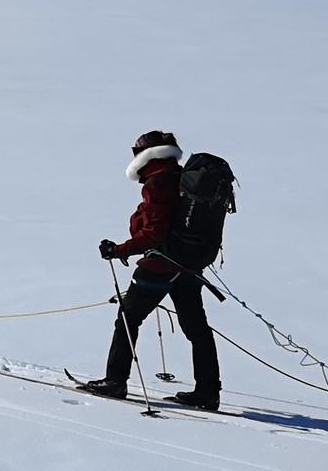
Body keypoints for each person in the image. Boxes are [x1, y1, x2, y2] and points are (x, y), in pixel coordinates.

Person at [77, 130, 221, 410]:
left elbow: (153, 234)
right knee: (197, 329)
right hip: (189, 266)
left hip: (160, 265)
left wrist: (118, 250)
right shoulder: (182, 179)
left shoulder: (158, 183)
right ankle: (208, 391)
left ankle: (115, 381)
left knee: (128, 318)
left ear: (145, 156)